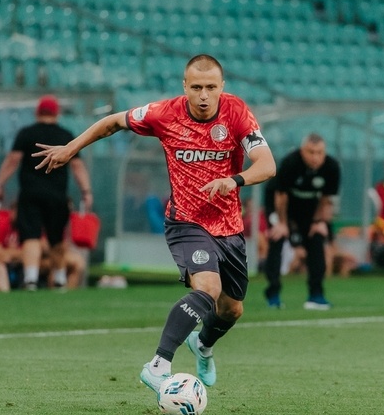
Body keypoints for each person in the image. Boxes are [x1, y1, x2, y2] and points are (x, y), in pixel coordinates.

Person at [32, 54, 276, 395]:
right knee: (207, 287)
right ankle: (158, 365)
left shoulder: (236, 113)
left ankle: (203, 345)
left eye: (210, 87)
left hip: (229, 226)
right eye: (196, 87)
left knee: (232, 310)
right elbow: (113, 122)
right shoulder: (164, 113)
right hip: (186, 221)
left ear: (222, 87)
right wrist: (72, 148)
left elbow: (267, 164)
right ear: (184, 87)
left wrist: (234, 180)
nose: (203, 95)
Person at [0, 95, 92, 290]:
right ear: (57, 113)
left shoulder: (27, 134)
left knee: (31, 236)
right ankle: (60, 278)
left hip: (31, 193)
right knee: (57, 238)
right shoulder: (66, 135)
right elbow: (78, 166)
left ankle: (30, 278)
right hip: (57, 195)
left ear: (37, 112)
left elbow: (12, 160)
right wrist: (86, 191)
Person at [264, 133, 340, 310]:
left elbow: (326, 199)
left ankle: (316, 296)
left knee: (317, 239)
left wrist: (319, 221)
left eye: (319, 153)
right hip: (280, 206)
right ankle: (273, 295)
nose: (315, 157)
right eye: (311, 152)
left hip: (309, 210)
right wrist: (282, 223)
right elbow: (281, 196)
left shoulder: (331, 167)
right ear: (302, 151)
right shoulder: (290, 163)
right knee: (276, 239)